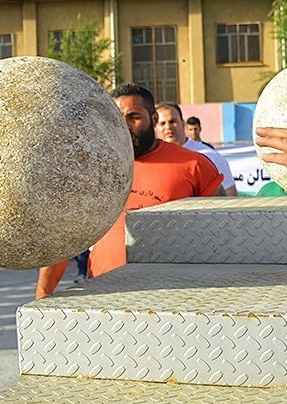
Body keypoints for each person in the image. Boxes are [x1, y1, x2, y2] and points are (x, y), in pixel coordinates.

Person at [35, 83, 224, 300]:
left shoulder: (194, 165)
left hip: (174, 295)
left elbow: (222, 234)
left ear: (153, 119)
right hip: (104, 293)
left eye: (133, 117)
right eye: (116, 118)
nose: (123, 126)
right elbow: (64, 237)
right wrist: (43, 294)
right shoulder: (91, 169)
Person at [155, 103, 238, 196]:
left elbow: (230, 196)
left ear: (183, 124)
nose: (168, 127)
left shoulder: (210, 157)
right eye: (162, 123)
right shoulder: (150, 160)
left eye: (173, 121)